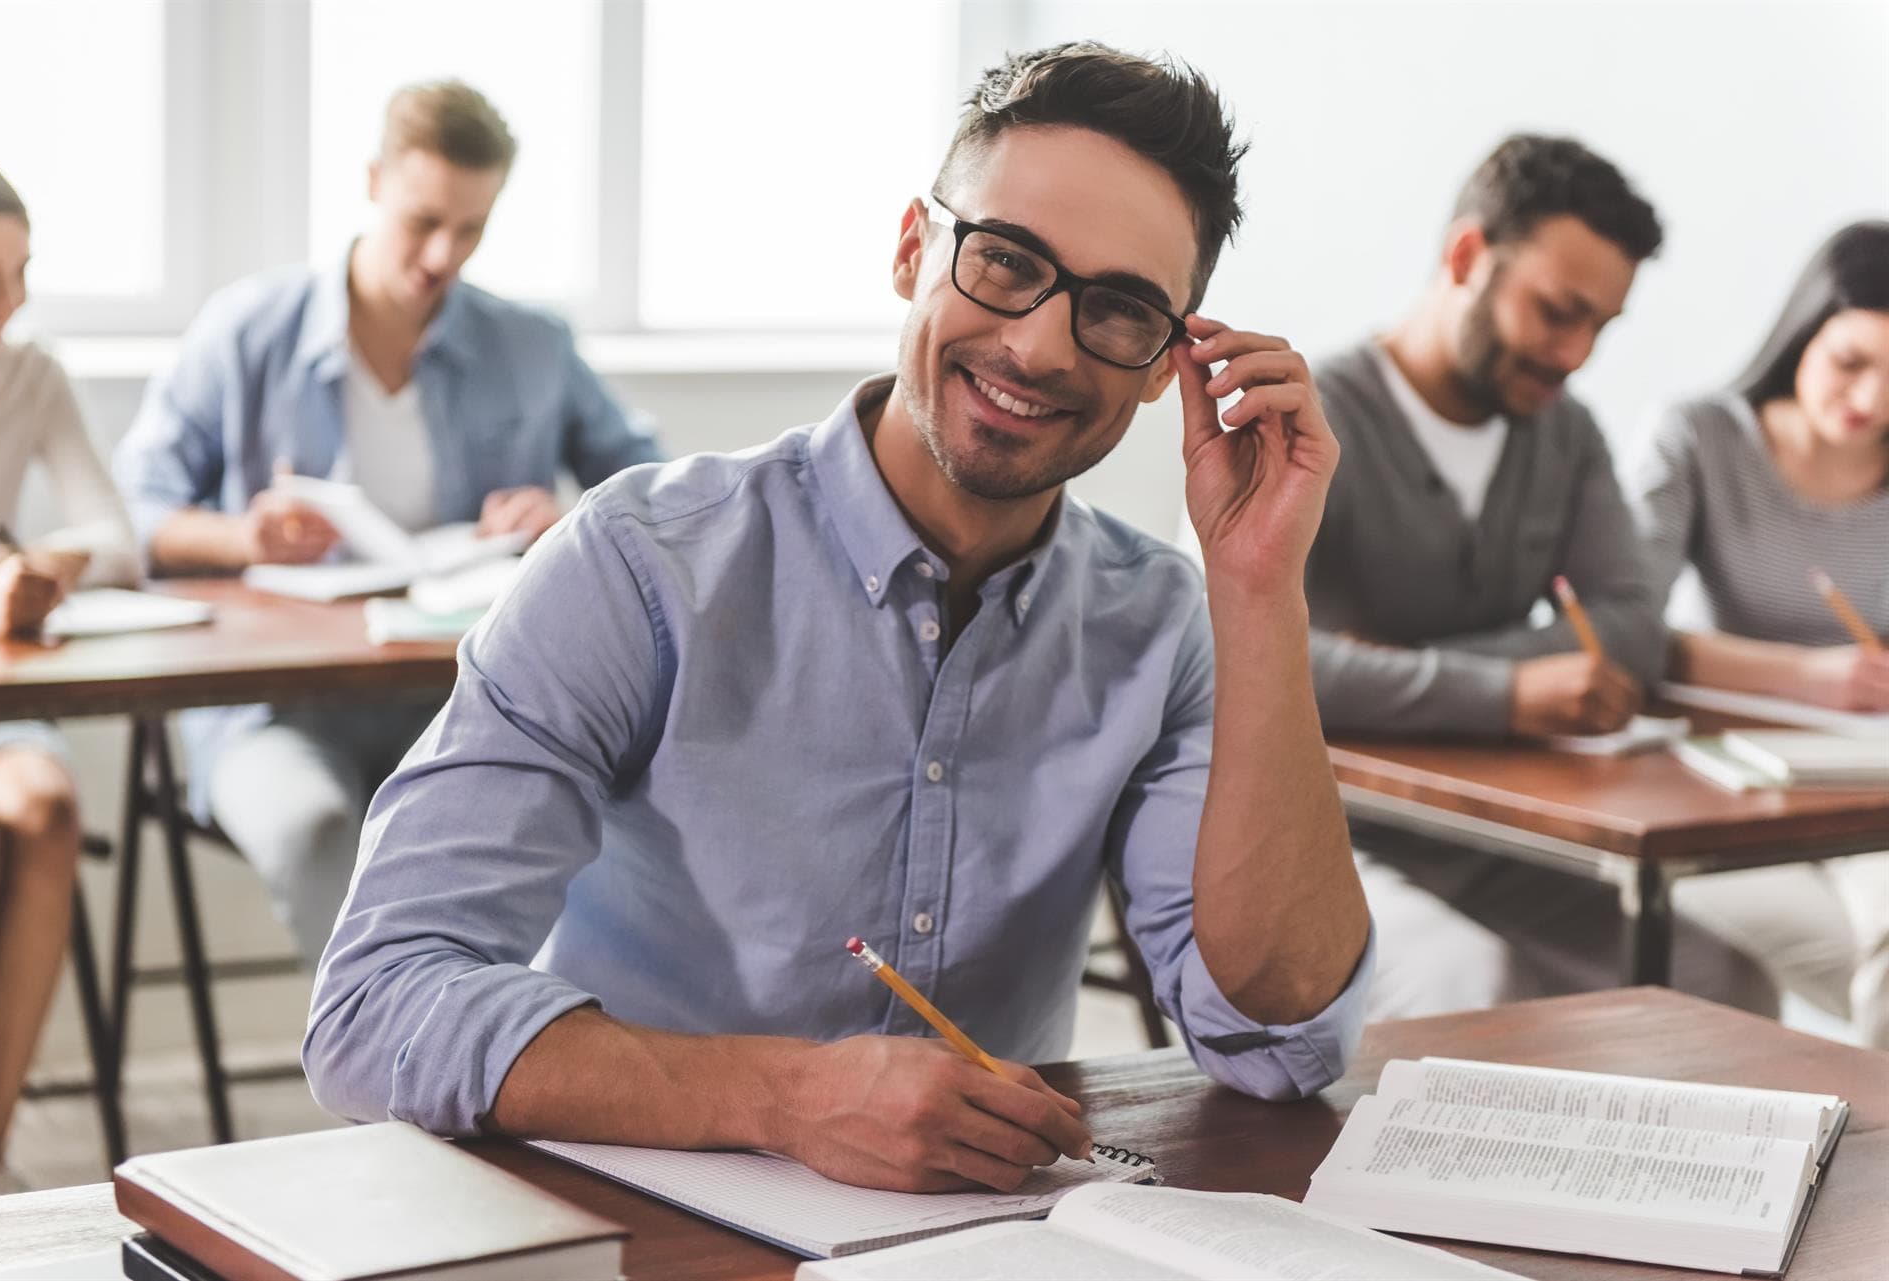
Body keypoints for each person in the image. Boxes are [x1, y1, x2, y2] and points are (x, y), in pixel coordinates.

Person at [306, 43, 1373, 1194]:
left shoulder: (1160, 623)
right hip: (646, 1215)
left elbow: (1277, 1043)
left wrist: (1259, 585)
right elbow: (377, 1006)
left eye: (1117, 310)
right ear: (915, 248)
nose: (1037, 345)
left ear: (1168, 363)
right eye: (1005, 262)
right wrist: (783, 1099)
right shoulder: (641, 563)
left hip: (982, 1236)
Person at [113, 81, 663, 966]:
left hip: (468, 696)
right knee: (315, 827)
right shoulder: (248, 331)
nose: (442, 255)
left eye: (471, 230)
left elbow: (655, 492)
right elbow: (131, 516)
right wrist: (239, 539)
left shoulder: (531, 344)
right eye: (423, 221)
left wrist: (568, 518)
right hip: (273, 711)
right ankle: (390, 1069)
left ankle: (493, 1062)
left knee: (570, 827)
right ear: (373, 181)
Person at [1303, 135, 1773, 1019]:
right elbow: (1258, 664)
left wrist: (1395, 665)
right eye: (1558, 312)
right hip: (1320, 830)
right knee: (1475, 986)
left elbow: (1631, 623)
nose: (1576, 354)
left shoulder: (1567, 434)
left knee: (1733, 987)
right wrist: (1507, 692)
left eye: (1601, 325)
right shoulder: (1309, 417)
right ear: (1467, 256)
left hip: (1487, 835)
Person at [1634, 220, 1889, 1046]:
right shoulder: (1701, 437)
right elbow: (1623, 632)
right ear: (1801, 332)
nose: (1873, 400)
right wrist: (1810, 676)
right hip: (1730, 772)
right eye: (1852, 362)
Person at [0, 155, 138, 1194]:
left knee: (47, 806)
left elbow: (117, 539)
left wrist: (38, 568)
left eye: (20, 272)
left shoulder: (33, 376)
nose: (10, 300)